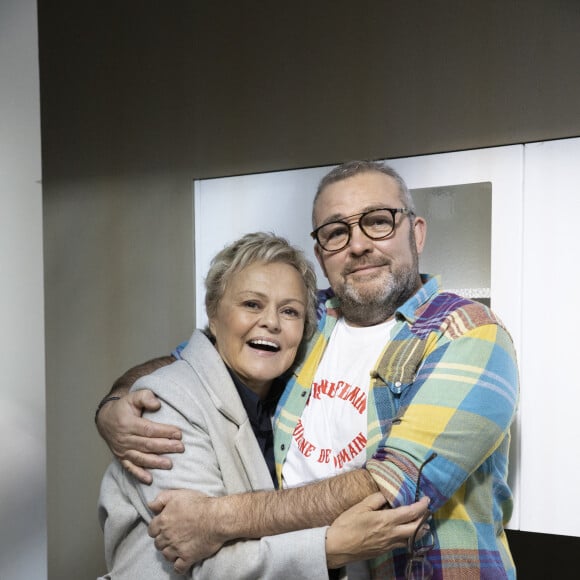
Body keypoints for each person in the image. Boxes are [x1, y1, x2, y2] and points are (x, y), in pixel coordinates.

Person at [97, 161, 519, 579]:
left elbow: (389, 486)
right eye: (337, 232)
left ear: (417, 232)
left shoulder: (468, 334)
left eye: (378, 221)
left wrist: (214, 519)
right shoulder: (308, 316)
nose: (358, 245)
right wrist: (115, 402)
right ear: (321, 253)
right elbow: (204, 358)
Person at [97, 231, 430, 579]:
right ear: (213, 313)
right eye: (252, 304)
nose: (271, 322)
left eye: (289, 311)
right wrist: (331, 547)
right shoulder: (165, 402)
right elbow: (201, 566)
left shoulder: (285, 401)